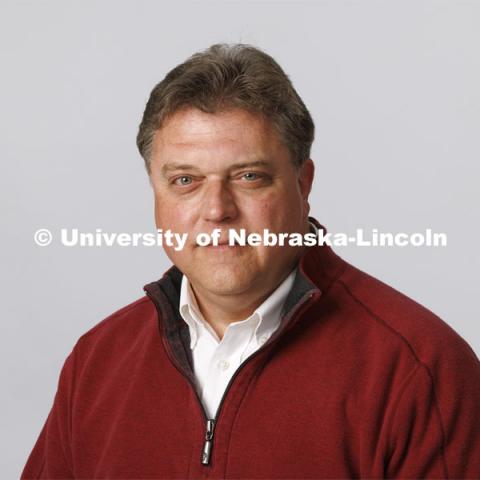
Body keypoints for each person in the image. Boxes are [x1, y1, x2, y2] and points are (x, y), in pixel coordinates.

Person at [22, 43, 480, 479]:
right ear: (155, 194)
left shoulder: (417, 367)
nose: (217, 209)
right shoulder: (96, 362)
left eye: (248, 177)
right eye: (186, 180)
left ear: (304, 184)